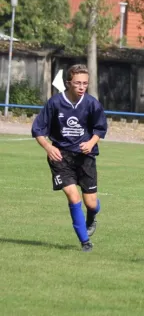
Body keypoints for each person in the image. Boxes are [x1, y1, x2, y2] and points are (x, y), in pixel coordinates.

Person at [31, 64, 108, 252]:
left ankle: (91, 216)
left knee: (90, 203)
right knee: (73, 197)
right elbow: (38, 130)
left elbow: (100, 129)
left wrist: (90, 143)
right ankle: (85, 242)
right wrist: (48, 147)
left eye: (85, 83)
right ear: (68, 83)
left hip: (85, 156)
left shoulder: (91, 103)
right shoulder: (55, 103)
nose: (82, 87)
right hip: (61, 157)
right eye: (78, 83)